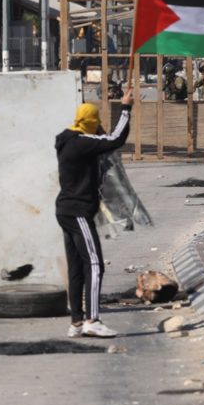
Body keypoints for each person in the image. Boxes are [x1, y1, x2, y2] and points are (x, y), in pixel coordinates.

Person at [54, 87, 134, 338]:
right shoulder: (82, 144)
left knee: (76, 266)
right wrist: (126, 108)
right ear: (90, 123)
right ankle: (93, 320)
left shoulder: (66, 139)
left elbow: (100, 139)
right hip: (78, 211)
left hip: (65, 210)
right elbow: (115, 139)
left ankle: (76, 322)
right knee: (95, 263)